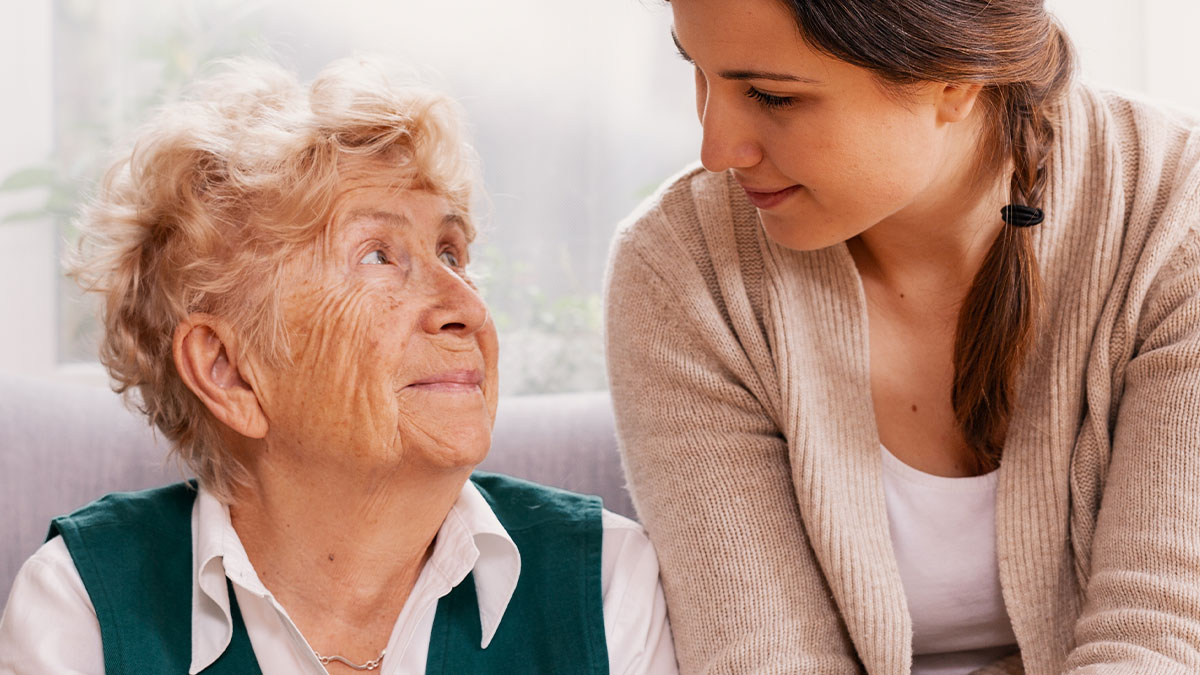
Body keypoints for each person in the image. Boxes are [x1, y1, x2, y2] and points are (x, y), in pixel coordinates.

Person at [0, 57, 677, 674]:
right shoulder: (80, 604)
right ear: (227, 370)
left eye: (450, 252)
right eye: (377, 256)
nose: (465, 308)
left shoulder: (610, 582)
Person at [604, 0, 1200, 672]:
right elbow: (764, 654)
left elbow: (1163, 639)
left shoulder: (1175, 216)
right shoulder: (683, 268)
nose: (716, 150)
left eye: (772, 95)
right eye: (700, 73)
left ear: (954, 78)